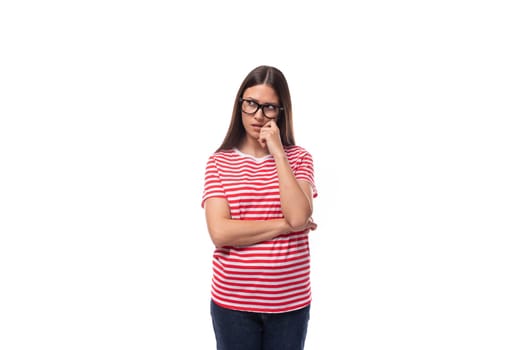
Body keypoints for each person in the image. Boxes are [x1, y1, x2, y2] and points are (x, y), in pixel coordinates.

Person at [201, 65, 318, 350]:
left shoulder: (299, 158)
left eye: (269, 108)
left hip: (290, 303)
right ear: (239, 104)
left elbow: (299, 214)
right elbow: (220, 232)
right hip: (233, 304)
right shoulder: (218, 162)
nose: (257, 115)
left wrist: (278, 152)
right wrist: (284, 225)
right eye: (251, 104)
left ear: (281, 112)